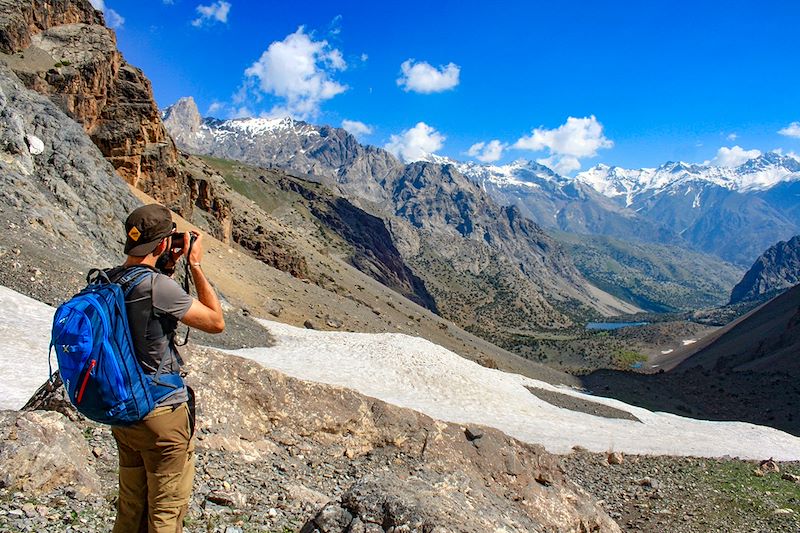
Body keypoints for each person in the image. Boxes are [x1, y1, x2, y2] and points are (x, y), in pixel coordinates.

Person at [108, 204, 225, 533]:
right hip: (161, 414)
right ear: (162, 243)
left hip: (125, 411)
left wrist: (169, 266)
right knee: (165, 514)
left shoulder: (112, 279)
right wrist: (195, 265)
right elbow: (215, 322)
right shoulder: (156, 287)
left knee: (131, 509)